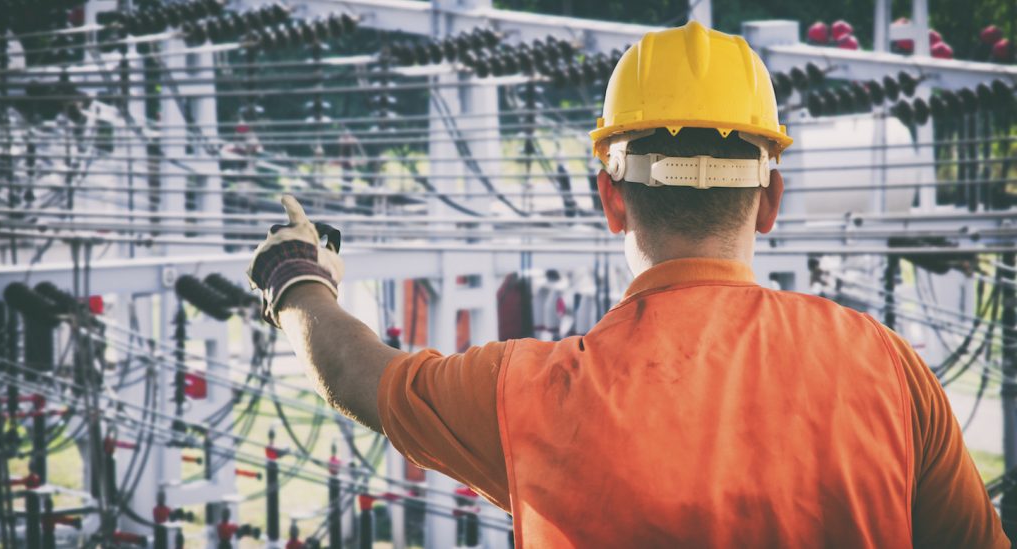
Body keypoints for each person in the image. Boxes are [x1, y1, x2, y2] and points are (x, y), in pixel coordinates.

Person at [247, 21, 1008, 548]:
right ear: (770, 200)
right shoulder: (886, 367)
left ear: (611, 198)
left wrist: (297, 277)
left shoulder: (532, 394)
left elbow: (357, 375)